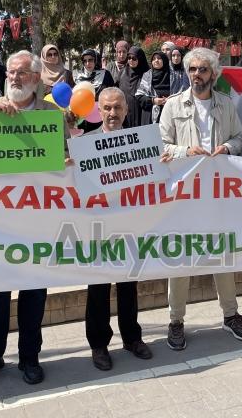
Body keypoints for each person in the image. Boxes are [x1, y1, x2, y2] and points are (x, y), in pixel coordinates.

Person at [0, 50, 67, 387]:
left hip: (37, 221)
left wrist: (66, 163)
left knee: (34, 295)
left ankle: (30, 357)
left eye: (22, 73)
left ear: (37, 78)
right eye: (11, 72)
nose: (14, 77)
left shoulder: (52, 115)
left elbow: (68, 159)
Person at [159, 47, 242, 349]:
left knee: (222, 256)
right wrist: (186, 152)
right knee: (182, 258)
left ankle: (231, 315)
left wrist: (226, 147)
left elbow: (239, 138)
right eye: (192, 69)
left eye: (202, 69)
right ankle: (175, 321)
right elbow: (160, 144)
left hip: (217, 193)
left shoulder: (226, 105)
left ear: (214, 73)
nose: (196, 75)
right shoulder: (173, 106)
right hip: (184, 196)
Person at [78, 87, 153, 370]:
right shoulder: (86, 144)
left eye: (117, 108)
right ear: (98, 110)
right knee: (98, 288)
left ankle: (132, 338)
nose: (112, 113)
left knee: (128, 285)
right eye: (107, 108)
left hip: (129, 226)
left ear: (126, 110)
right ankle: (98, 345)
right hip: (98, 228)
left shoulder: (140, 142)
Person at [136, 51, 182, 124]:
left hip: (172, 114)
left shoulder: (175, 76)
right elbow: (139, 96)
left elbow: (182, 93)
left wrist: (170, 100)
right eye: (154, 59)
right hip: (150, 116)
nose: (156, 60)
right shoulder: (147, 75)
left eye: (159, 58)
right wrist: (154, 100)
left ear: (164, 60)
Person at [118, 46, 149, 127]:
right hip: (125, 113)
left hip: (141, 113)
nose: (131, 60)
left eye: (134, 58)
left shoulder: (147, 74)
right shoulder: (123, 73)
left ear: (140, 59)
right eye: (129, 58)